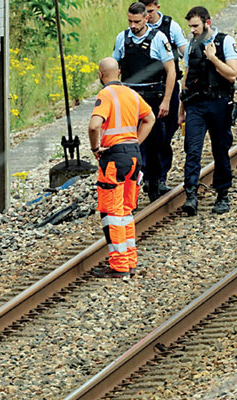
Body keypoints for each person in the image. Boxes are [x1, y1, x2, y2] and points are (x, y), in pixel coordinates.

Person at [89, 57, 156, 279]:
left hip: (113, 158)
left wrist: (95, 147)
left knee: (112, 213)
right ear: (119, 72)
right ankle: (130, 260)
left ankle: (119, 266)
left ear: (101, 75)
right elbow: (150, 118)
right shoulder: (131, 93)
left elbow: (94, 125)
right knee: (126, 211)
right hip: (134, 157)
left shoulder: (105, 95)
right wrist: (136, 142)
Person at [178, 6, 237, 216]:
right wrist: (181, 109)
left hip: (219, 104)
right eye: (190, 26)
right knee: (192, 150)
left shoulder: (225, 42)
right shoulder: (191, 45)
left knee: (220, 149)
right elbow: (186, 78)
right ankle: (191, 195)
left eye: (195, 25)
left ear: (207, 22)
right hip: (195, 104)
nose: (192, 30)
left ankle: (222, 194)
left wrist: (213, 58)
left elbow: (232, 75)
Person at [112, 1, 175, 201]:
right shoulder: (122, 38)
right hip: (130, 96)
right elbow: (115, 66)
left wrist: (166, 100)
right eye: (130, 21)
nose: (133, 25)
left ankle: (155, 182)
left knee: (156, 141)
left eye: (137, 21)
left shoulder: (158, 38)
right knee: (132, 142)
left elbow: (171, 71)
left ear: (146, 18)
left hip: (153, 96)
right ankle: (133, 184)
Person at [142, 0, 188, 192]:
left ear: (157, 7)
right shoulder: (136, 31)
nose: (147, 16)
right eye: (144, 12)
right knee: (145, 135)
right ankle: (149, 175)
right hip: (145, 90)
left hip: (167, 86)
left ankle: (161, 174)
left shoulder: (171, 26)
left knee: (166, 132)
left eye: (150, 12)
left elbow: (185, 51)